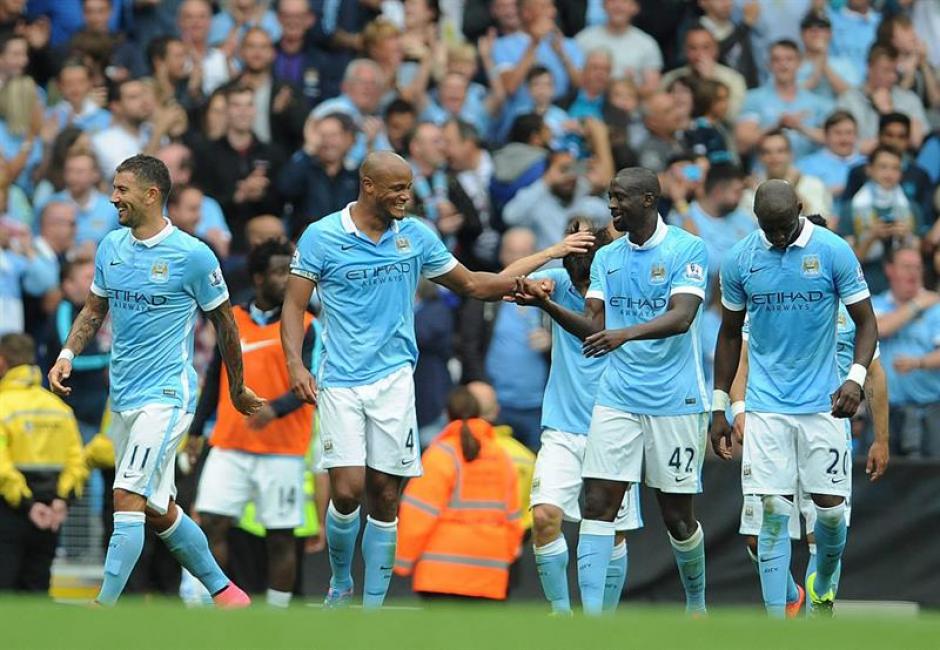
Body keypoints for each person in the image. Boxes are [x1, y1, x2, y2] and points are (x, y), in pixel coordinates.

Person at [281, 150, 593, 609]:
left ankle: (371, 607)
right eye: (397, 188)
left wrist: (537, 268)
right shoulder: (322, 236)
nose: (406, 196)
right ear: (368, 186)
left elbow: (472, 285)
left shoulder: (416, 236)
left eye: (409, 187)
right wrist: (295, 365)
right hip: (341, 379)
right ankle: (341, 581)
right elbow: (293, 305)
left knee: (386, 495)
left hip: (394, 379)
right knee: (346, 491)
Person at [47, 154, 264, 607]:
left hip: (166, 395)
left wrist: (236, 386)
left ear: (151, 194)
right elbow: (94, 309)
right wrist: (67, 355)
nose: (113, 198)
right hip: (123, 396)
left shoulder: (192, 255)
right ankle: (226, 592)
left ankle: (102, 608)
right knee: (155, 507)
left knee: (126, 493)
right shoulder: (110, 246)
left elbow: (225, 323)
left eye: (121, 189)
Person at [514, 167, 710, 616]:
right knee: (598, 505)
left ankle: (696, 604)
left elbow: (682, 317)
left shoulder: (687, 248)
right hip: (617, 397)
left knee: (678, 518)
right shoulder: (608, 258)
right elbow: (594, 326)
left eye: (620, 197)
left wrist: (624, 334)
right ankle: (591, 624)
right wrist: (547, 305)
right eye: (610, 197)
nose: (612, 205)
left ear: (648, 200)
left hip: (674, 400)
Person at [709, 179, 879, 617]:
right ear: (756, 220)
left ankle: (822, 582)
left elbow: (866, 322)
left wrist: (855, 379)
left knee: (830, 514)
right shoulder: (740, 259)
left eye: (784, 226)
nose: (779, 236)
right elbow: (729, 335)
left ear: (800, 208)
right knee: (772, 511)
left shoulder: (833, 250)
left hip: (823, 405)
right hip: (766, 406)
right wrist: (721, 404)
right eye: (770, 228)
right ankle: (778, 623)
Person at [522, 219, 642, 614]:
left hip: (615, 425)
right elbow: (501, 279)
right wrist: (550, 253)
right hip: (562, 426)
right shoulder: (558, 280)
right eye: (581, 285)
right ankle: (561, 615)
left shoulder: (626, 285)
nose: (587, 293)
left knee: (613, 533)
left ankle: (600, 624)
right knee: (544, 517)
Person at [189, 238, 317, 609]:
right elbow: (215, 378)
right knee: (211, 523)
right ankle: (216, 602)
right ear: (259, 278)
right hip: (230, 443)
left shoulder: (308, 325)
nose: (288, 279)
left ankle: (278, 612)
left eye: (291, 272)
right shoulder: (233, 319)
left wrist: (275, 410)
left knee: (280, 537)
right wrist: (196, 430)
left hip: (283, 449)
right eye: (279, 272)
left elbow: (314, 380)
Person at [394, 386, 524, 601]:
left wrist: (402, 561)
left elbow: (418, 513)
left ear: (447, 414)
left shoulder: (441, 455)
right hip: (490, 574)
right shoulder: (501, 457)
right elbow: (512, 519)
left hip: (440, 573)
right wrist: (505, 558)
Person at [0, 332, 87, 593]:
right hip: (52, 513)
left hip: (10, 511)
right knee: (37, 593)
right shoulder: (60, 409)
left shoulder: (3, 407)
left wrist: (28, 504)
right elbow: (77, 462)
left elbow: (2, 466)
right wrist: (62, 500)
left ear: (2, 362)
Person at [872, 246, 940, 458]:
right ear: (890, 270)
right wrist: (916, 304)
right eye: (907, 267)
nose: (913, 273)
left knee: (931, 475)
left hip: (929, 411)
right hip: (883, 412)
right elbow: (878, 329)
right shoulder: (876, 304)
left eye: (917, 267)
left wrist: (918, 363)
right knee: (878, 474)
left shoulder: (936, 308)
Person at [735, 39, 827, 161]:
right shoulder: (753, 98)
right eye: (776, 60)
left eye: (789, 59)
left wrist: (800, 128)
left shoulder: (816, 102)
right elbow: (742, 145)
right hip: (766, 171)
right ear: (768, 65)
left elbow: (834, 142)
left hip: (807, 171)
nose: (783, 65)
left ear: (800, 63)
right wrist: (776, 126)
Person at [836, 44, 928, 153]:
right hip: (858, 159)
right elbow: (837, 140)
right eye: (886, 70)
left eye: (895, 71)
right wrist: (861, 146)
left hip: (901, 160)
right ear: (869, 68)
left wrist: (889, 112)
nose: (892, 77)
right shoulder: (849, 100)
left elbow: (917, 141)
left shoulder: (909, 99)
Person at [574, 0, 662, 94]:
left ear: (635, 8)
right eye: (613, 1)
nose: (618, 6)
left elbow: (653, 87)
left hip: (632, 102)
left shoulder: (647, 44)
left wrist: (627, 90)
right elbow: (574, 78)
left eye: (624, 1)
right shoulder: (583, 39)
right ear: (603, 5)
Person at [796, 111, 865, 208]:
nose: (844, 139)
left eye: (849, 133)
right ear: (826, 135)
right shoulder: (806, 165)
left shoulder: (868, 164)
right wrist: (826, 193)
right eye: (838, 133)